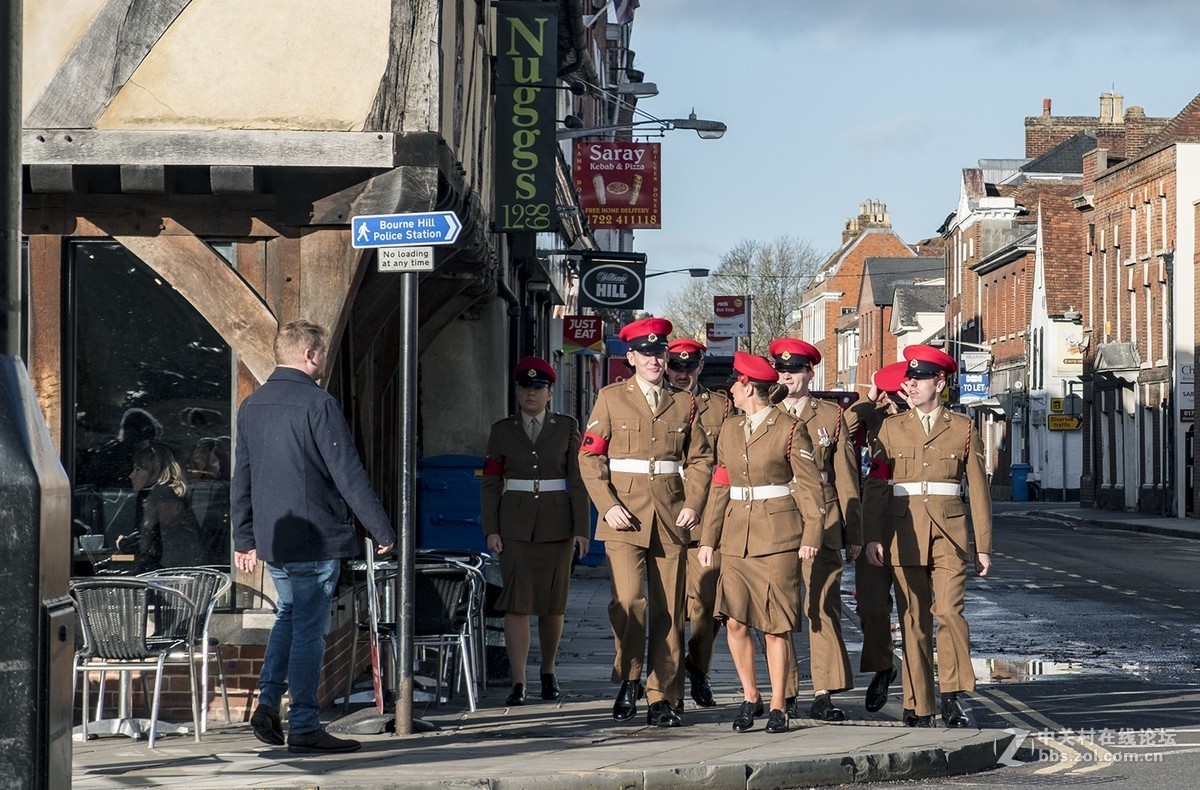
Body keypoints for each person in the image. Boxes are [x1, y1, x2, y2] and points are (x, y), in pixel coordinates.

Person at [233, 319, 396, 754]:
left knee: (289, 615)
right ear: (309, 354)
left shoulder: (251, 406)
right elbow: (348, 474)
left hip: (274, 538)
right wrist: (380, 528)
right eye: (323, 353)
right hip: (316, 537)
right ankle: (304, 722)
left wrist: (243, 537)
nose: (325, 360)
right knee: (308, 629)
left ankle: (268, 702)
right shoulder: (318, 404)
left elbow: (241, 477)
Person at [578, 317, 713, 727]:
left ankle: (662, 696)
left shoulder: (683, 402)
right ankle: (629, 677)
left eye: (660, 353)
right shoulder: (610, 398)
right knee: (628, 601)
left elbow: (701, 459)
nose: (655, 360)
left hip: (671, 515)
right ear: (632, 357)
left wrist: (694, 502)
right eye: (647, 353)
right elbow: (590, 456)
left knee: (670, 609)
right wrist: (606, 504)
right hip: (624, 516)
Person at [863, 344, 992, 728]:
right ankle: (918, 703)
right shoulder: (890, 427)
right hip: (902, 532)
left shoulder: (963, 427)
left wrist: (983, 546)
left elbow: (978, 489)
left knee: (949, 613)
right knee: (912, 619)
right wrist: (872, 536)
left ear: (940, 381)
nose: (912, 384)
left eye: (920, 378)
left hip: (949, 533)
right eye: (910, 378)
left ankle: (951, 696)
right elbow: (876, 485)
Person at [697, 352, 827, 734]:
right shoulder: (730, 428)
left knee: (775, 626)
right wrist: (708, 539)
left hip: (778, 538)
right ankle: (749, 695)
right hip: (736, 538)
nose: (730, 390)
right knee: (735, 622)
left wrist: (812, 534)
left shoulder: (790, 428)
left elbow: (809, 485)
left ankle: (778, 705)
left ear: (749, 387)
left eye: (735, 384)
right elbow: (720, 485)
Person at [481, 357, 590, 707]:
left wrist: (582, 529)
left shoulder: (566, 427)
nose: (532, 393)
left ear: (550, 393)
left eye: (538, 388)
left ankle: (548, 671)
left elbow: (578, 480)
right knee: (517, 604)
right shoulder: (502, 430)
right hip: (514, 526)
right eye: (526, 388)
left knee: (552, 604)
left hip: (557, 526)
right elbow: (491, 483)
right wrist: (491, 529)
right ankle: (519, 681)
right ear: (517, 391)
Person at [768, 337, 862, 722]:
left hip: (823, 518)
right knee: (781, 608)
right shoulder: (765, 412)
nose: (786, 376)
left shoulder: (831, 416)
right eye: (781, 370)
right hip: (775, 516)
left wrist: (853, 533)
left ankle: (824, 691)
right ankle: (786, 691)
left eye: (794, 370)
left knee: (823, 604)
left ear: (810, 373)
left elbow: (847, 478)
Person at [665, 337, 730, 710]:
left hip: (706, 518)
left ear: (700, 368)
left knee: (708, 607)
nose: (682, 373)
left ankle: (698, 666)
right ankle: (669, 683)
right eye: (676, 366)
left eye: (689, 367)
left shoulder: (720, 407)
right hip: (664, 514)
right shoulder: (656, 402)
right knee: (669, 608)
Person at [844, 361, 910, 714]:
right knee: (870, 605)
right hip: (875, 517)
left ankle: (919, 692)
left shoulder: (929, 417)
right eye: (895, 394)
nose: (901, 399)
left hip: (913, 519)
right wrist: (871, 395)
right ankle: (884, 666)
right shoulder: (875, 417)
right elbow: (843, 428)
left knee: (915, 608)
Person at [115, 443, 203, 573]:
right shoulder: (168, 493)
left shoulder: (160, 495)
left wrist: (125, 544)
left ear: (154, 473)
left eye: (138, 470)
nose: (131, 475)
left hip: (171, 569)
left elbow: (147, 543)